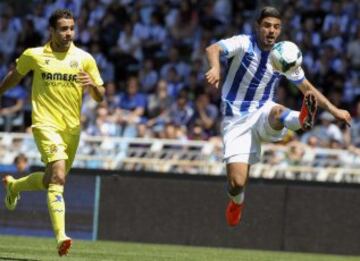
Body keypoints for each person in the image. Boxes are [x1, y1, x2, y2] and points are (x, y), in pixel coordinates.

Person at [205, 6, 351, 227]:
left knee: (277, 111)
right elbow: (213, 48)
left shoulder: (283, 55)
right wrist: (215, 68)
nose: (271, 31)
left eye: (276, 27)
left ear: (280, 30)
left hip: (264, 110)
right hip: (235, 119)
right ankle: (237, 202)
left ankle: (302, 119)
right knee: (236, 183)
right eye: (266, 26)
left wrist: (334, 110)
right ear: (258, 27)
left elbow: (307, 88)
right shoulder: (244, 43)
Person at [0, 9, 104, 256]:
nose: (68, 33)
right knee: (59, 175)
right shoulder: (35, 55)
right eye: (63, 28)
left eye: (71, 28)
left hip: (72, 129)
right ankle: (61, 237)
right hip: (45, 124)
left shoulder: (84, 58)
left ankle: (14, 187)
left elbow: (100, 96)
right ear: (52, 31)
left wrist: (92, 87)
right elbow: (16, 75)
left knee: (51, 180)